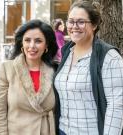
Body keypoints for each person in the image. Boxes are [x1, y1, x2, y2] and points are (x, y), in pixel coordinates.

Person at [53, 1, 123, 135]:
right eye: (71, 21)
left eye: (81, 22)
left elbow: (117, 107)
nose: (74, 26)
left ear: (94, 25)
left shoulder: (109, 57)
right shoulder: (67, 52)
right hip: (63, 130)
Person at [0, 19, 58, 135]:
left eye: (38, 41)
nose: (32, 46)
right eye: (27, 40)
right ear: (21, 43)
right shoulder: (7, 69)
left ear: (46, 45)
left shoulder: (55, 70)